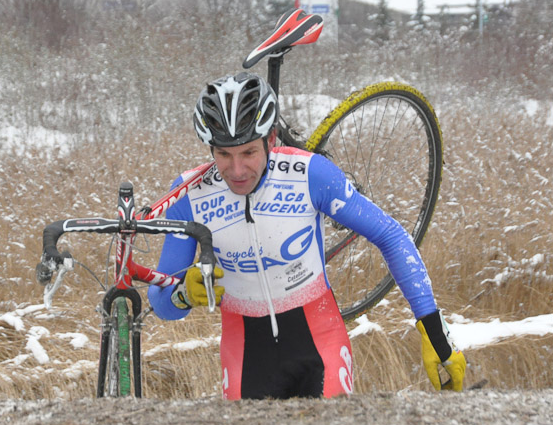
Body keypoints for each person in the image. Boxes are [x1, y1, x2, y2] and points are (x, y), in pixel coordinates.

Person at [148, 72, 466, 400]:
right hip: (245, 356)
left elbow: (391, 235)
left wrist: (434, 332)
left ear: (271, 139)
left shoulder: (309, 175)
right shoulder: (189, 195)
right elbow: (162, 303)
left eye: (249, 153)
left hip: (320, 341)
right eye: (224, 155)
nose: (238, 170)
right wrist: (183, 294)